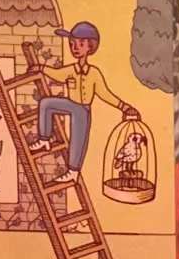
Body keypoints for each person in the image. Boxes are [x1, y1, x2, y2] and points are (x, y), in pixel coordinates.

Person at [27, 21, 139, 184]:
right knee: (46, 103)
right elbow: (57, 74)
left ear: (90, 47)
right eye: (72, 44)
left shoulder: (94, 73)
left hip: (82, 109)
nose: (75, 48)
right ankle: (45, 139)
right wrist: (41, 68)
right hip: (70, 104)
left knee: (78, 135)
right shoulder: (70, 70)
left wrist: (123, 106)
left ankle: (73, 170)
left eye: (80, 44)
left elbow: (104, 93)